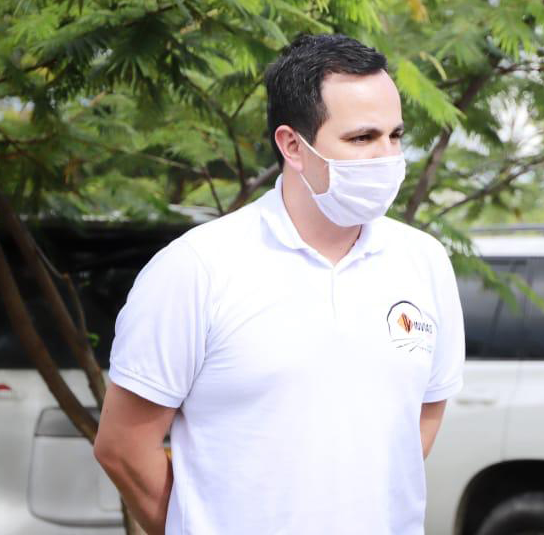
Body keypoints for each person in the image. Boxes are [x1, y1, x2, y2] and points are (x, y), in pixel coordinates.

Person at [94, 34, 465, 535]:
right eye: (362, 138)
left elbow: (421, 418)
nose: (387, 157)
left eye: (394, 136)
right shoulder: (198, 268)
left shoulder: (423, 262)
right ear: (293, 144)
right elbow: (123, 446)